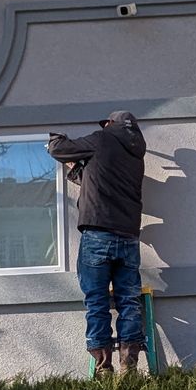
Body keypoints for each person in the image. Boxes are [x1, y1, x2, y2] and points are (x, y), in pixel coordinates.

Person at [48, 110, 148, 375]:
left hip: (99, 234)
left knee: (97, 301)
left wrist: (54, 138)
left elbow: (60, 149)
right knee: (129, 300)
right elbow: (99, 179)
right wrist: (76, 172)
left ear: (109, 125)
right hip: (128, 237)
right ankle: (130, 367)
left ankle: (104, 369)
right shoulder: (137, 157)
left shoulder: (101, 139)